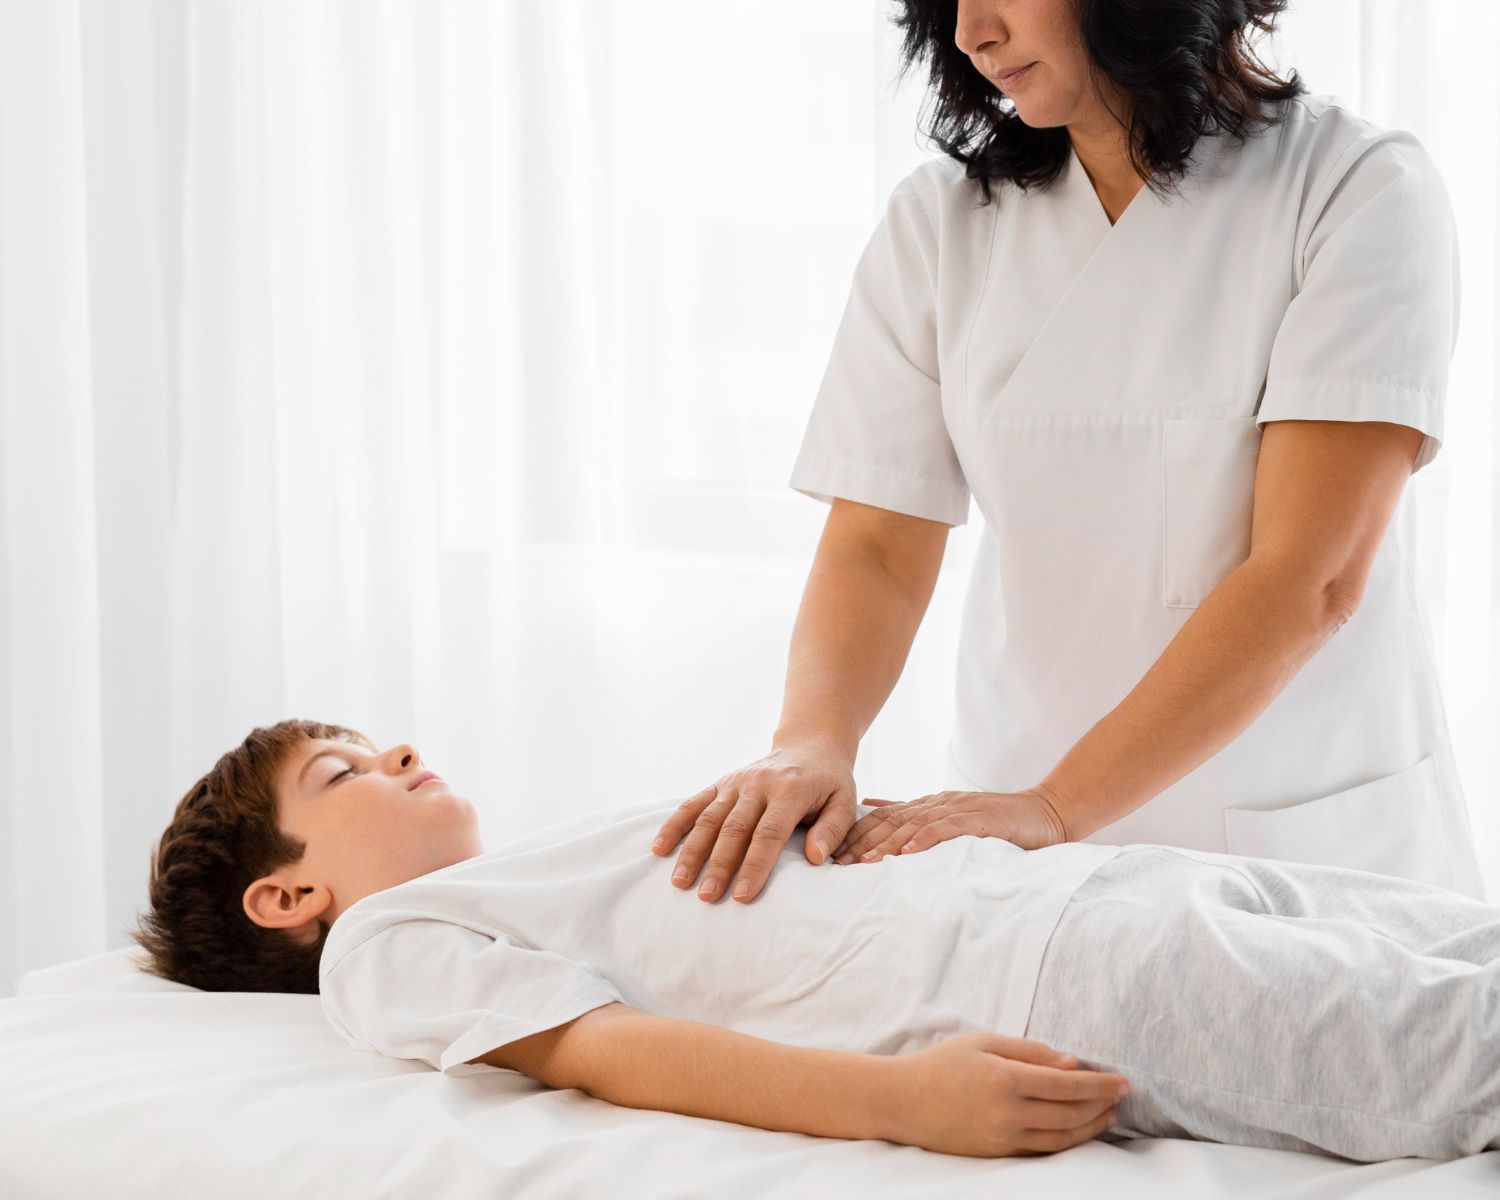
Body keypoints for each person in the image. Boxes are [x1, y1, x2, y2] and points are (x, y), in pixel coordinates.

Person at [649, 0, 1488, 911]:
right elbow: (877, 544)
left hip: (1300, 853)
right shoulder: (940, 222)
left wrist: (1056, 805)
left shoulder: (1354, 189)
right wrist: (814, 739)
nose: (972, 33)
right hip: (1014, 846)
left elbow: (1307, 579)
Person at [133, 722, 1500, 1161]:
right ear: (284, 898)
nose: (401, 751)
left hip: (1088, 889)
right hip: (1069, 977)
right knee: (1454, 1055)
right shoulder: (387, 950)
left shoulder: (535, 872)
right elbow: (617, 1057)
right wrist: (906, 1103)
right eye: (345, 772)